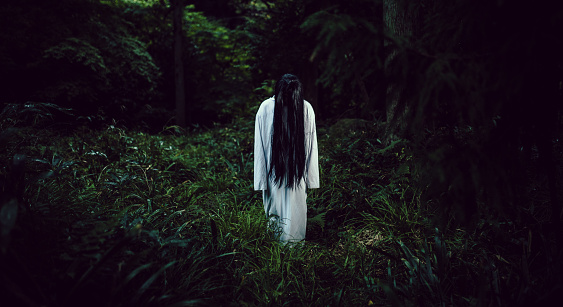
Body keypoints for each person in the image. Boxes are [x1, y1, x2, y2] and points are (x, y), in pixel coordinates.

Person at [254, 74, 319, 243]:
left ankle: (294, 253)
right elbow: (259, 148)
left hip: (297, 175)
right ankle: (277, 252)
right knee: (275, 213)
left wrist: (311, 179)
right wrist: (261, 181)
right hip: (273, 173)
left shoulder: (305, 109)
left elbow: (312, 145)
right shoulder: (266, 108)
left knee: (296, 214)